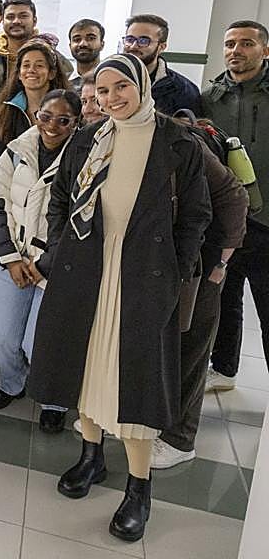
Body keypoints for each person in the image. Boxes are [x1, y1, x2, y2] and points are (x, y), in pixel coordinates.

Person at [28, 53, 211, 544]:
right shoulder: (89, 138)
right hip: (87, 269)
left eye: (120, 88)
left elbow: (196, 216)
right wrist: (64, 242)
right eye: (102, 91)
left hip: (143, 278)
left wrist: (174, 272)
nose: (111, 99)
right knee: (86, 367)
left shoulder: (177, 143)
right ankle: (90, 457)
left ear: (142, 85)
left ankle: (139, 488)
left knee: (135, 382)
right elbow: (62, 197)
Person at [0, 89, 81, 431]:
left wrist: (43, 265)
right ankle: (13, 383)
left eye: (63, 120)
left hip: (53, 266)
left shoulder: (82, 159)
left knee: (39, 343)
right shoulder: (16, 151)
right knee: (2, 339)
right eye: (46, 117)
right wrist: (9, 258)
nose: (52, 126)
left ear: (76, 123)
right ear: (36, 115)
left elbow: (76, 222)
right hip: (13, 258)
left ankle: (53, 399)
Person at [153, 114, 247, 469]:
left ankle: (180, 438)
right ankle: (158, 422)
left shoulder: (181, 141)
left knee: (190, 349)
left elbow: (234, 197)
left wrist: (220, 266)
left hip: (202, 263)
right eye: (95, 97)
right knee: (164, 347)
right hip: (164, 263)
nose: (101, 105)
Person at [203, 20, 269, 391]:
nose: (235, 51)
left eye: (246, 43)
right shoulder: (211, 96)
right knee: (226, 298)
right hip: (226, 219)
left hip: (267, 221)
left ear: (265, 50)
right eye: (230, 44)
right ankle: (225, 369)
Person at [0, 0, 73, 101]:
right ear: (2, 20)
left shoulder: (53, 58)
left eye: (23, 16)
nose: (16, 21)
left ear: (34, 20)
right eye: (10, 17)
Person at [0, 39, 71, 153]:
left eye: (39, 65)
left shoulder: (67, 109)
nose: (31, 70)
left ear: (51, 73)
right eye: (26, 65)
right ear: (19, 74)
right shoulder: (6, 111)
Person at [121, 14, 202, 115]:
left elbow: (187, 129)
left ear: (162, 47)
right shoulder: (106, 78)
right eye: (129, 39)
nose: (133, 46)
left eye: (143, 41)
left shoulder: (183, 90)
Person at [68, 18, 106, 89]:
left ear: (102, 44)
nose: (83, 44)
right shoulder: (62, 82)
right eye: (77, 39)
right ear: (70, 46)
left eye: (91, 38)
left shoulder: (110, 79)